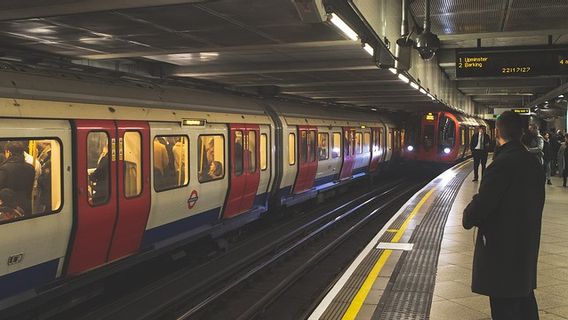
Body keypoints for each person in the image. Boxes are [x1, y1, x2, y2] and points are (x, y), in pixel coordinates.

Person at [463, 111, 545, 320]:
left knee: (504, 307)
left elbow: (482, 205)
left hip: (502, 251)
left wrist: (469, 213)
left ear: (497, 131)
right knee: (525, 301)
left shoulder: (502, 164)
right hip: (525, 245)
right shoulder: (533, 162)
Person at [0, 141, 36, 214]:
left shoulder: (4, 169)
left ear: (9, 152)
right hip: (26, 206)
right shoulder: (31, 168)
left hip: (10, 209)